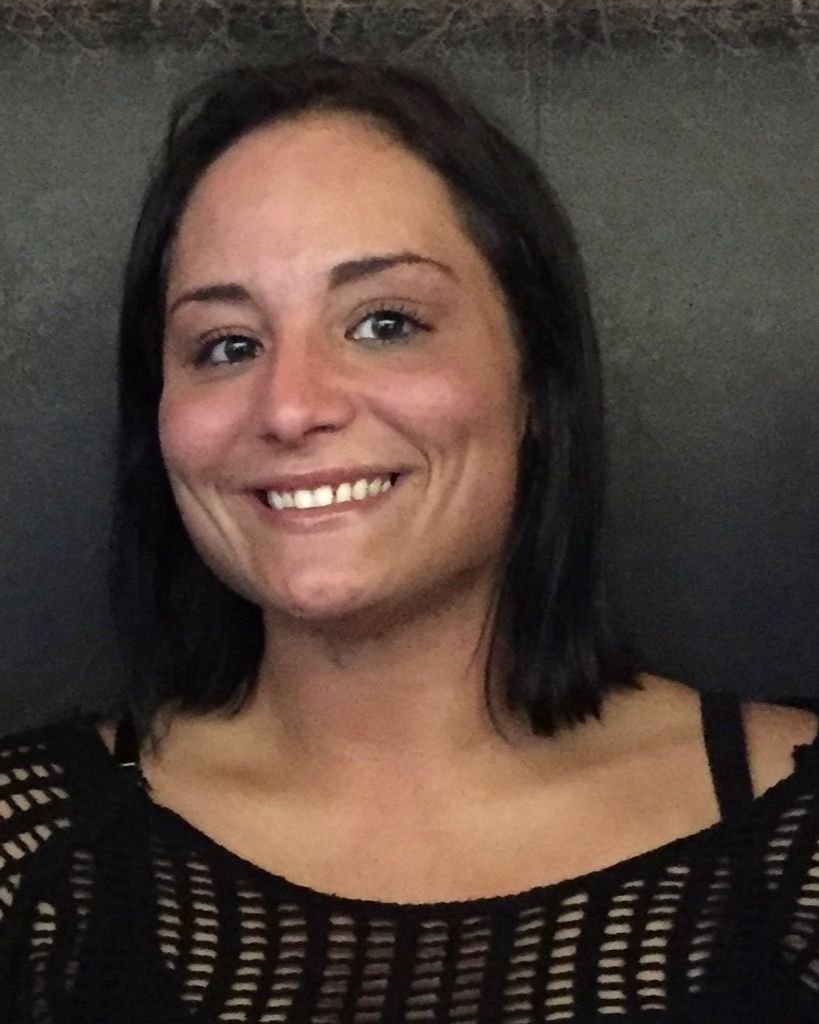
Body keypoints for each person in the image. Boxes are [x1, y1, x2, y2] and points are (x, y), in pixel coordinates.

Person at [0, 55, 817, 1024]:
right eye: (227, 345)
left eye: (385, 323)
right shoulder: (28, 856)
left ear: (536, 384)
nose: (290, 406)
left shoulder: (797, 828)